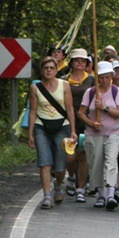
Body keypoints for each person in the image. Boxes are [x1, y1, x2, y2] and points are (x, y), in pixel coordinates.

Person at [28, 56, 76, 209]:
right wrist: (30, 134)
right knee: (45, 162)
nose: (48, 70)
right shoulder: (35, 88)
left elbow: (69, 109)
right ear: (42, 71)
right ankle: (47, 195)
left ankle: (59, 185)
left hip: (62, 126)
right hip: (41, 126)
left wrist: (73, 131)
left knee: (60, 164)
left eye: (51, 68)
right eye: (45, 68)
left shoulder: (65, 85)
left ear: (56, 70)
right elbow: (33, 111)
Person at [78, 61, 119, 210]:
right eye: (101, 77)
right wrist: (91, 123)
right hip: (94, 134)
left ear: (111, 76)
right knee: (96, 163)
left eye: (107, 77)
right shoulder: (91, 92)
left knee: (111, 161)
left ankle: (111, 193)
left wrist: (104, 108)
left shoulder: (116, 91)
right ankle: (100, 194)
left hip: (113, 133)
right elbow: (81, 112)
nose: (104, 80)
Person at [62, 48, 94, 202]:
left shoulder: (93, 80)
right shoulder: (63, 79)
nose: (80, 63)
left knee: (83, 156)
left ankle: (80, 188)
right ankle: (72, 176)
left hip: (87, 122)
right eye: (77, 60)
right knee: (70, 157)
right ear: (72, 63)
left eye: (83, 60)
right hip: (67, 122)